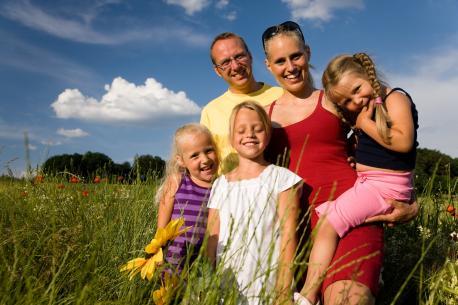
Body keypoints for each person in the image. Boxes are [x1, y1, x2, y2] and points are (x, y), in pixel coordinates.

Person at [261, 21, 419, 305]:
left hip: (349, 213)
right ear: (268, 66)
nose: (290, 66)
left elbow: (387, 147)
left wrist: (409, 198)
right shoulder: (263, 117)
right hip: (293, 230)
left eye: (296, 56)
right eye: (280, 61)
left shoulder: (336, 100)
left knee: (347, 300)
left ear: (307, 53)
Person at [294, 53, 418, 305]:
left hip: (382, 186)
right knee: (329, 217)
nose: (356, 101)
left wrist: (363, 123)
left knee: (328, 223)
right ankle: (372, 277)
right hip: (373, 184)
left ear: (366, 74)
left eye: (357, 89)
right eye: (347, 101)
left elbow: (404, 142)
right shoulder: (368, 109)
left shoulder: (395, 98)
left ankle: (308, 294)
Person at [206, 101, 302, 305]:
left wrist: (284, 290)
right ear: (231, 138)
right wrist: (208, 281)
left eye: (257, 129)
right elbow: (212, 237)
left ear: (267, 135)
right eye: (241, 130)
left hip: (268, 284)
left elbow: (288, 235)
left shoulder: (283, 179)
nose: (249, 134)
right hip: (227, 284)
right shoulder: (220, 184)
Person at [200, 32, 283, 172]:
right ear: (217, 71)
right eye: (225, 62)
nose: (235, 66)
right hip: (231, 191)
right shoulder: (210, 111)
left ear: (250, 56)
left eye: (239, 56)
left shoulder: (282, 95)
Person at [156, 123, 219, 272]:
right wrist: (157, 251)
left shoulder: (221, 188)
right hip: (173, 263)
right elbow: (162, 226)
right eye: (194, 155)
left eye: (209, 150)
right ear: (181, 161)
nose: (205, 159)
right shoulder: (177, 181)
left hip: (203, 267)